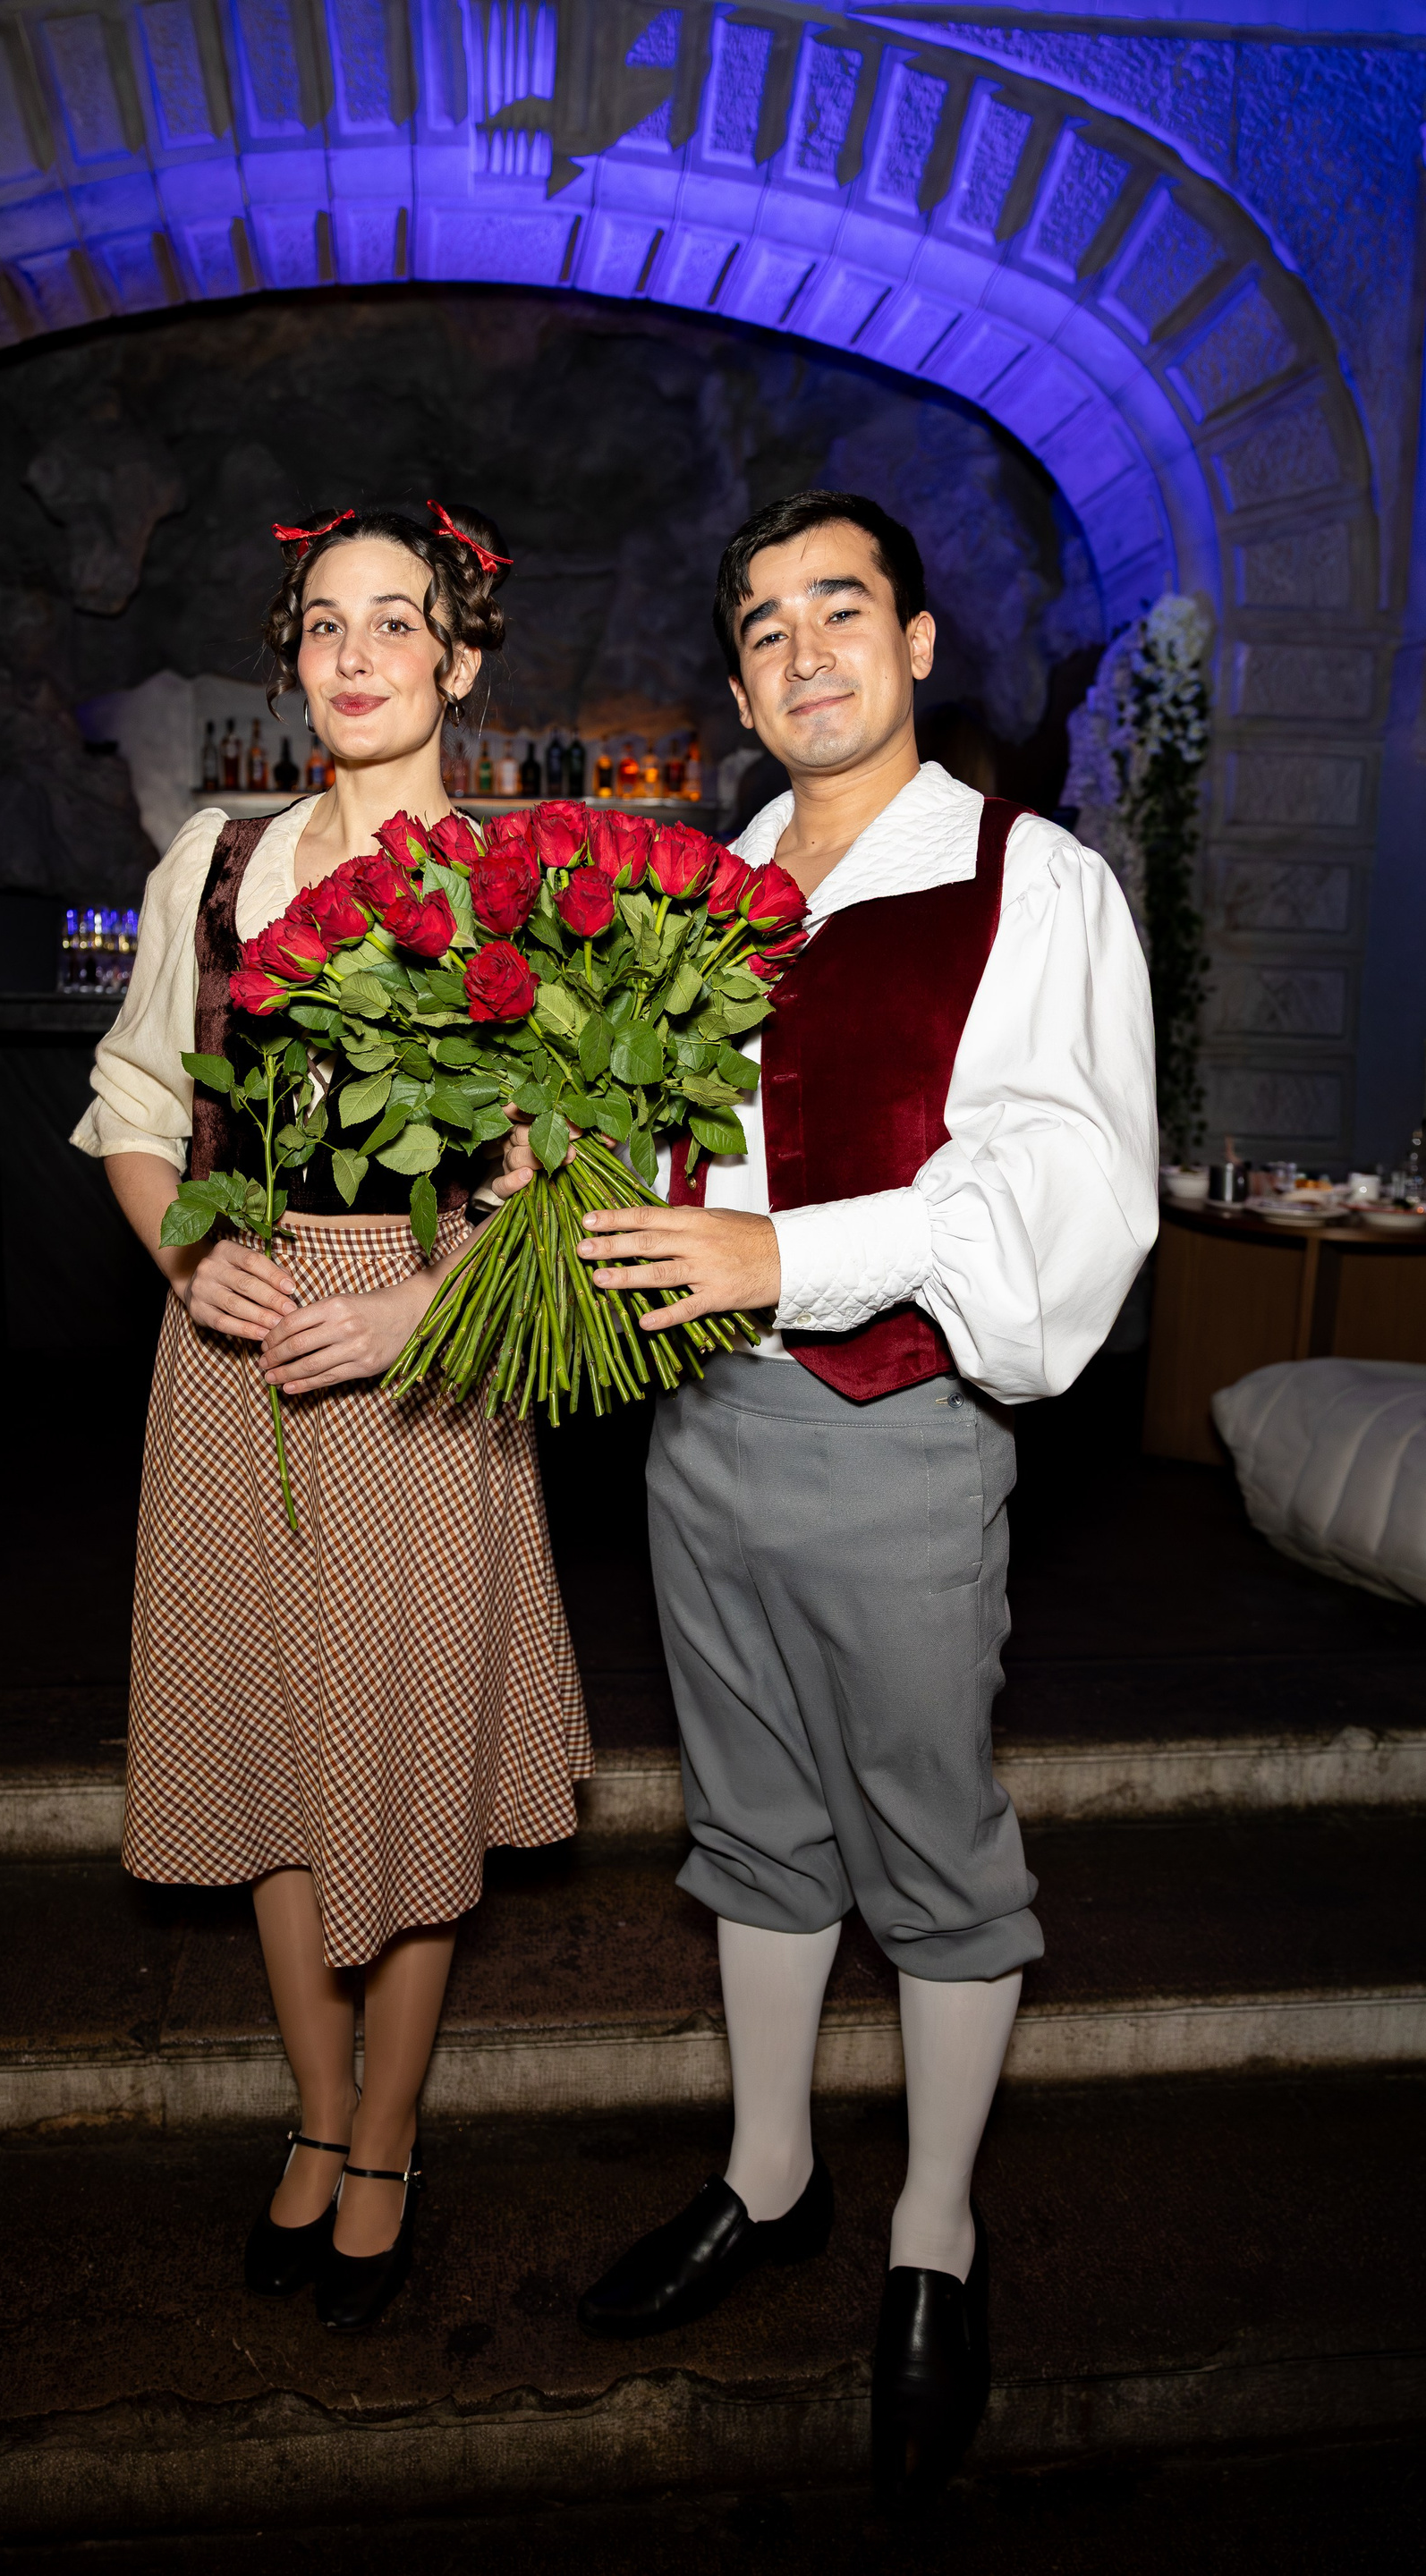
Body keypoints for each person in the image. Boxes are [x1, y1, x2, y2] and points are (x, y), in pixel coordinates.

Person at [504, 490, 1156, 2504]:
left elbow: (1060, 1196)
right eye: (767, 626)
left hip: (896, 1434)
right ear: (735, 683)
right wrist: (563, 1169)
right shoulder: (707, 893)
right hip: (700, 1434)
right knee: (757, 1828)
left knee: (932, 1849)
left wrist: (787, 1257)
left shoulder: (1029, 882)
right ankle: (769, 2175)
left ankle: (935, 2235)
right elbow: (679, 1155)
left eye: (841, 608)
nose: (806, 651)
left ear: (919, 641)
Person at [72, 504, 589, 2331]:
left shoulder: (530, 885)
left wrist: (413, 1310)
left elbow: (564, 1184)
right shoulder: (215, 865)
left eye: (396, 620)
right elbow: (138, 1104)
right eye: (320, 623)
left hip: (433, 1354)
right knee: (277, 1751)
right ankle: (311, 2110)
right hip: (236, 1356)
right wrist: (186, 1254)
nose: (355, 655)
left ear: (461, 656)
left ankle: (387, 2131)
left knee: (412, 1751)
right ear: (292, 659)